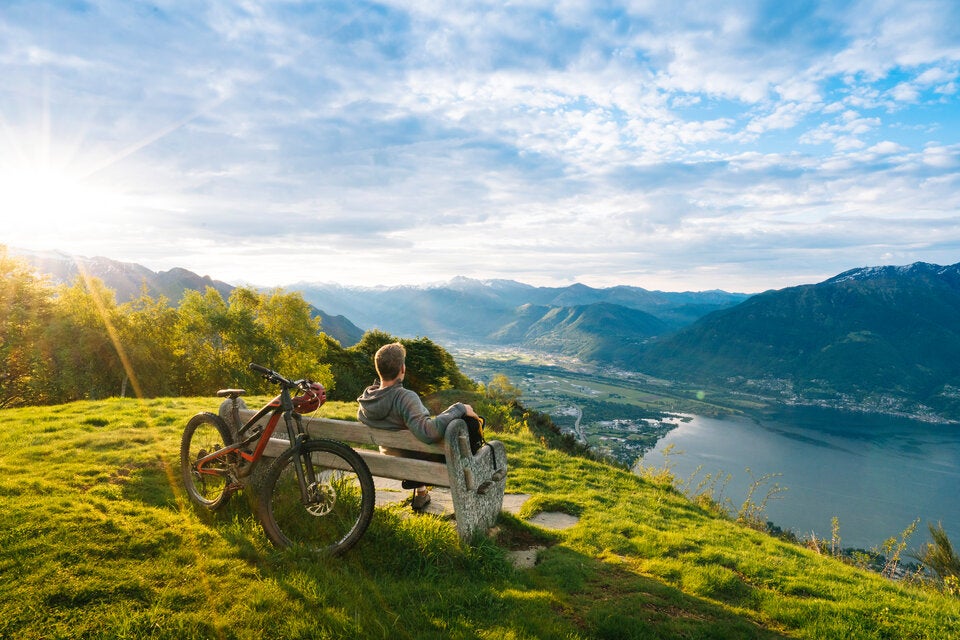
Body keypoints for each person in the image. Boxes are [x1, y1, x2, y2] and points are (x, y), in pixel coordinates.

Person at [357, 341, 478, 511]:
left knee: (412, 439)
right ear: (402, 369)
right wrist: (459, 408)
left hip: (392, 459)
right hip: (417, 463)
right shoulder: (404, 397)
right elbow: (428, 433)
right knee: (467, 427)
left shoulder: (368, 399)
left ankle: (422, 493)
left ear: (379, 370)